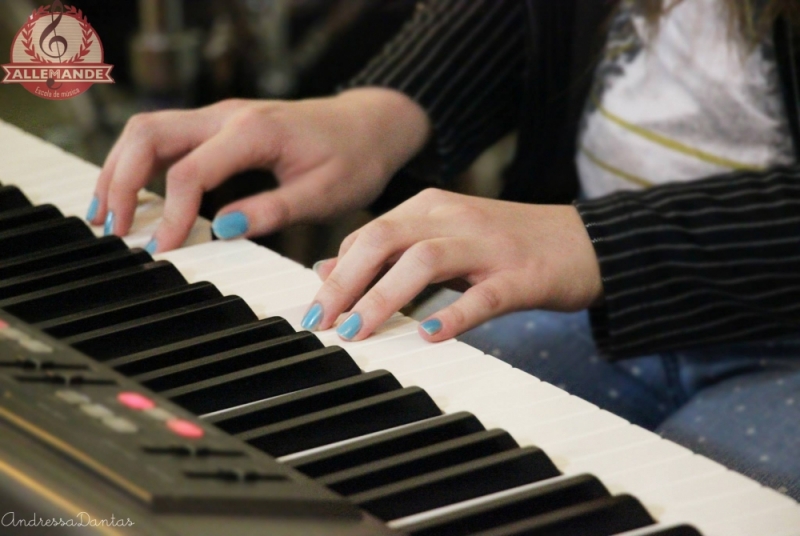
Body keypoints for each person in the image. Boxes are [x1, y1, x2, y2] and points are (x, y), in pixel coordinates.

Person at [87, 0, 800, 499]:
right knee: (358, 431)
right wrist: (378, 112)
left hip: (768, 335)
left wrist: (596, 242)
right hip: (595, 297)